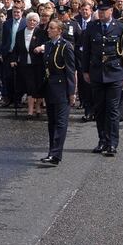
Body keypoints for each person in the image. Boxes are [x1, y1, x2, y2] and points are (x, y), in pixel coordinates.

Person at [83, 0, 123, 157]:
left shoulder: (121, 27)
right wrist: (85, 71)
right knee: (99, 109)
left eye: (104, 10)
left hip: (114, 73)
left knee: (112, 110)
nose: (101, 13)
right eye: (99, 10)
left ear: (111, 11)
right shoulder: (92, 27)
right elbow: (86, 51)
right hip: (97, 73)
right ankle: (102, 140)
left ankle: (112, 143)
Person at [38, 20, 77, 165]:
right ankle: (52, 151)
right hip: (50, 87)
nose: (48, 30)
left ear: (59, 31)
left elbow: (70, 70)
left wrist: (72, 92)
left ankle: (55, 154)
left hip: (62, 87)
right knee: (52, 122)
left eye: (52, 28)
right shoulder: (48, 45)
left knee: (60, 123)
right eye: (48, 28)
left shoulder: (66, 46)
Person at [12, 12, 46, 117]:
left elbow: (46, 45)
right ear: (26, 21)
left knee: (39, 85)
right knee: (30, 86)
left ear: (37, 22)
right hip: (25, 64)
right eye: (30, 20)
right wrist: (13, 60)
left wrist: (41, 48)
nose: (32, 22)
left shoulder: (41, 32)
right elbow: (15, 49)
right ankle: (30, 110)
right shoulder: (20, 33)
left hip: (38, 63)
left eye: (34, 20)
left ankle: (38, 108)